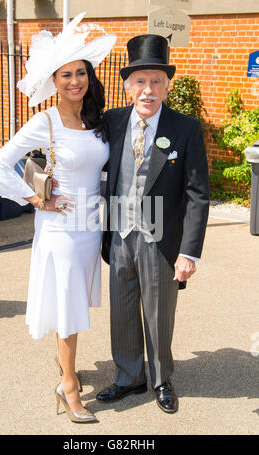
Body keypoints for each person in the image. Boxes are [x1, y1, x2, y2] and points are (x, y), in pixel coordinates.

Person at [0, 12, 116, 423]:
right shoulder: (44, 121)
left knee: (73, 304)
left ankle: (65, 366)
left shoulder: (96, 120)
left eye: (81, 73)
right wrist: (34, 200)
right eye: (66, 75)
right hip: (61, 230)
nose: (75, 81)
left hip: (91, 226)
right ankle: (68, 386)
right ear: (53, 81)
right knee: (68, 307)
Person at [96, 34, 210, 413]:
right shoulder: (112, 121)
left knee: (159, 314)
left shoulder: (185, 128)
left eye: (156, 81)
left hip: (162, 237)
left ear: (167, 85)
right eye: (140, 81)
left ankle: (161, 379)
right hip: (119, 235)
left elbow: (197, 194)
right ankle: (129, 377)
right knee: (122, 311)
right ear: (128, 85)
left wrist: (189, 252)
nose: (148, 90)